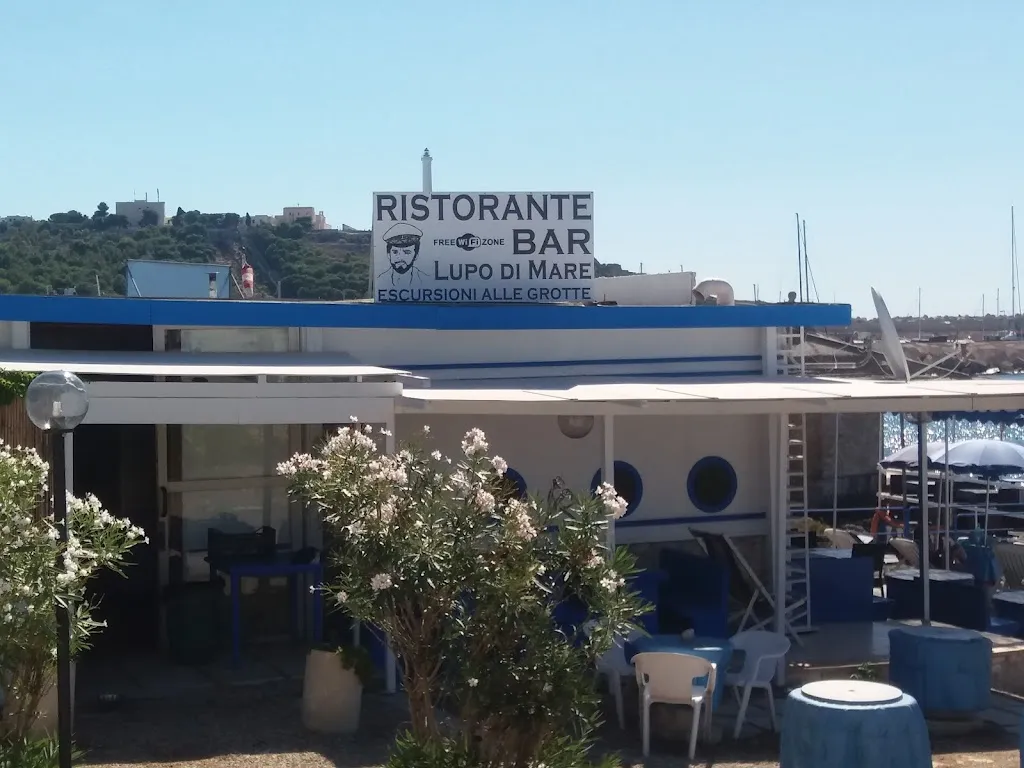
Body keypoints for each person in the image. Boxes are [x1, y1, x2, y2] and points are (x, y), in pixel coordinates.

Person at [378, 222, 428, 287]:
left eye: (407, 252)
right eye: (395, 252)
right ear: (388, 255)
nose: (400, 257)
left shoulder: (424, 279)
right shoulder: (381, 279)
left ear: (416, 256)